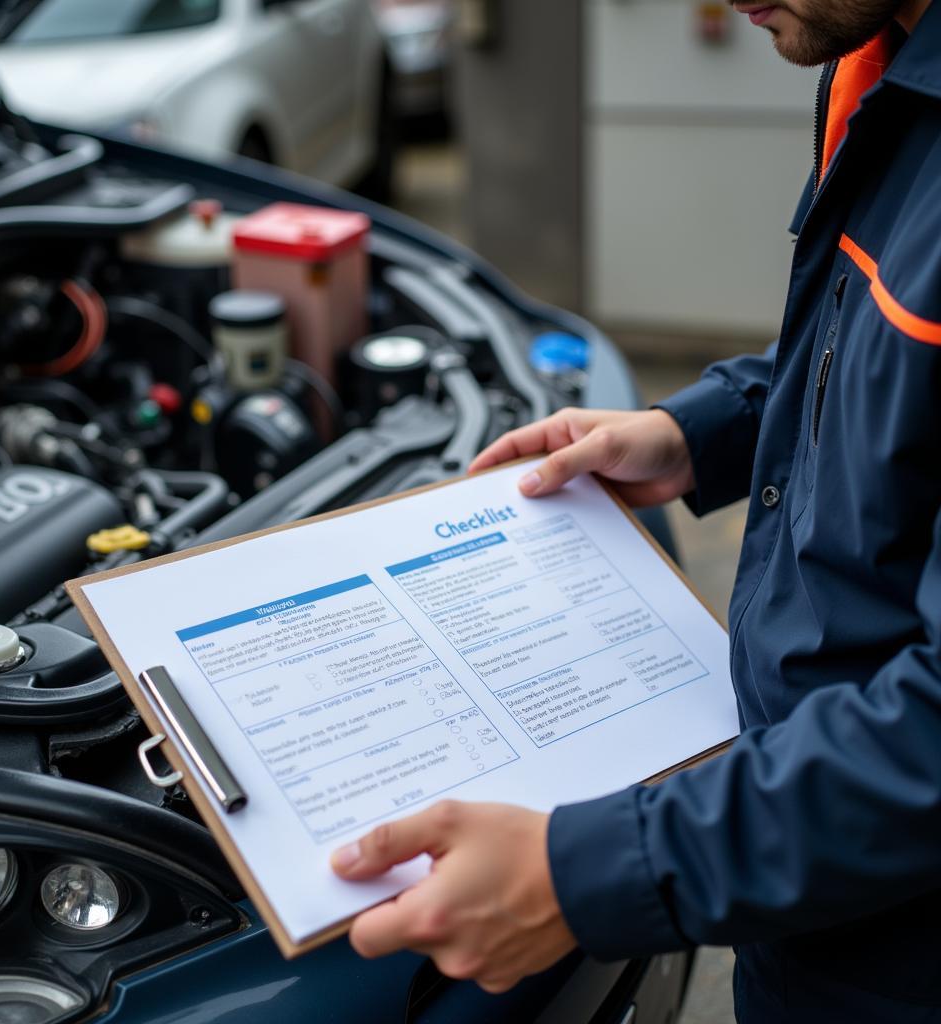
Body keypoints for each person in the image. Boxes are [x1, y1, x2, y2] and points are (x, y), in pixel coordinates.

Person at [329, 1, 941, 1020]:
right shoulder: (875, 60)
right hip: (797, 869)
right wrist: (703, 429)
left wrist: (593, 875)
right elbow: (880, 357)